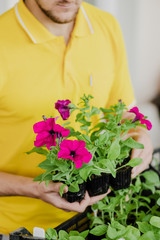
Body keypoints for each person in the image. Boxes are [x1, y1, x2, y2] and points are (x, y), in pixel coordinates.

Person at [0, 0, 153, 235]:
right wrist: (35, 188)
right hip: (14, 228)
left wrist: (140, 135)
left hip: (97, 219)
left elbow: (123, 112)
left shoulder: (106, 26)